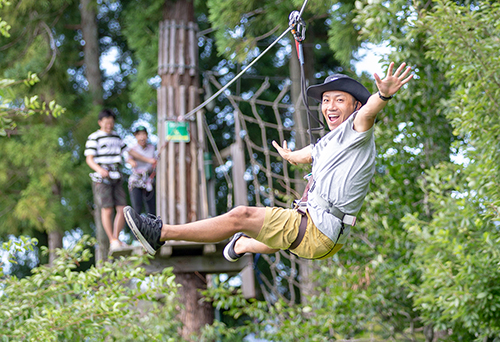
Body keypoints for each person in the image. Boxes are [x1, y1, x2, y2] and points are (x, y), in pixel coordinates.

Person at [123, 62, 413, 260]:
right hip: (323, 236)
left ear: (355, 105)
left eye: (339, 100)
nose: (330, 106)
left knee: (242, 216)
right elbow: (307, 154)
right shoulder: (330, 142)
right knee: (274, 228)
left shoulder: (358, 129)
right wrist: (289, 155)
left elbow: (370, 111)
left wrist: (383, 94)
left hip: (318, 231)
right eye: (325, 100)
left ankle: (160, 233)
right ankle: (243, 246)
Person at [85, 109, 156, 252]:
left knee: (122, 208)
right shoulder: (94, 137)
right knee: (107, 209)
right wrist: (99, 170)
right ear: (100, 122)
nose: (109, 126)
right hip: (102, 178)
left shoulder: (117, 137)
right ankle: (112, 239)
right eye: (106, 123)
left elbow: (129, 152)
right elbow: (89, 159)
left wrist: (148, 160)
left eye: (111, 123)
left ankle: (116, 237)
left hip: (116, 176)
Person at [127, 125, 157, 215]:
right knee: (137, 208)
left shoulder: (152, 148)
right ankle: (135, 228)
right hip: (136, 179)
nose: (142, 137)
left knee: (151, 209)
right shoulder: (133, 149)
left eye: (144, 134)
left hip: (148, 179)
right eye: (139, 134)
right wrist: (132, 162)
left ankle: (152, 228)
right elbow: (129, 159)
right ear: (135, 136)